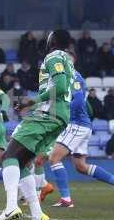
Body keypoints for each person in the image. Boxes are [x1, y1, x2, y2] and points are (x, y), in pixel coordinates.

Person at [0, 30, 74, 220]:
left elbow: (61, 87)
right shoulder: (68, 60)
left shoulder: (53, 56)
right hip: (59, 116)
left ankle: (10, 206)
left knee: (9, 156)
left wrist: (32, 101)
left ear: (53, 41)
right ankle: (37, 215)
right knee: (22, 163)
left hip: (48, 113)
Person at [49, 70, 114, 207]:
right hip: (79, 125)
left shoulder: (74, 76)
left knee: (54, 158)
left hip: (77, 125)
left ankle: (66, 199)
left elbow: (78, 100)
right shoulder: (61, 78)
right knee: (81, 166)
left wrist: (62, 112)